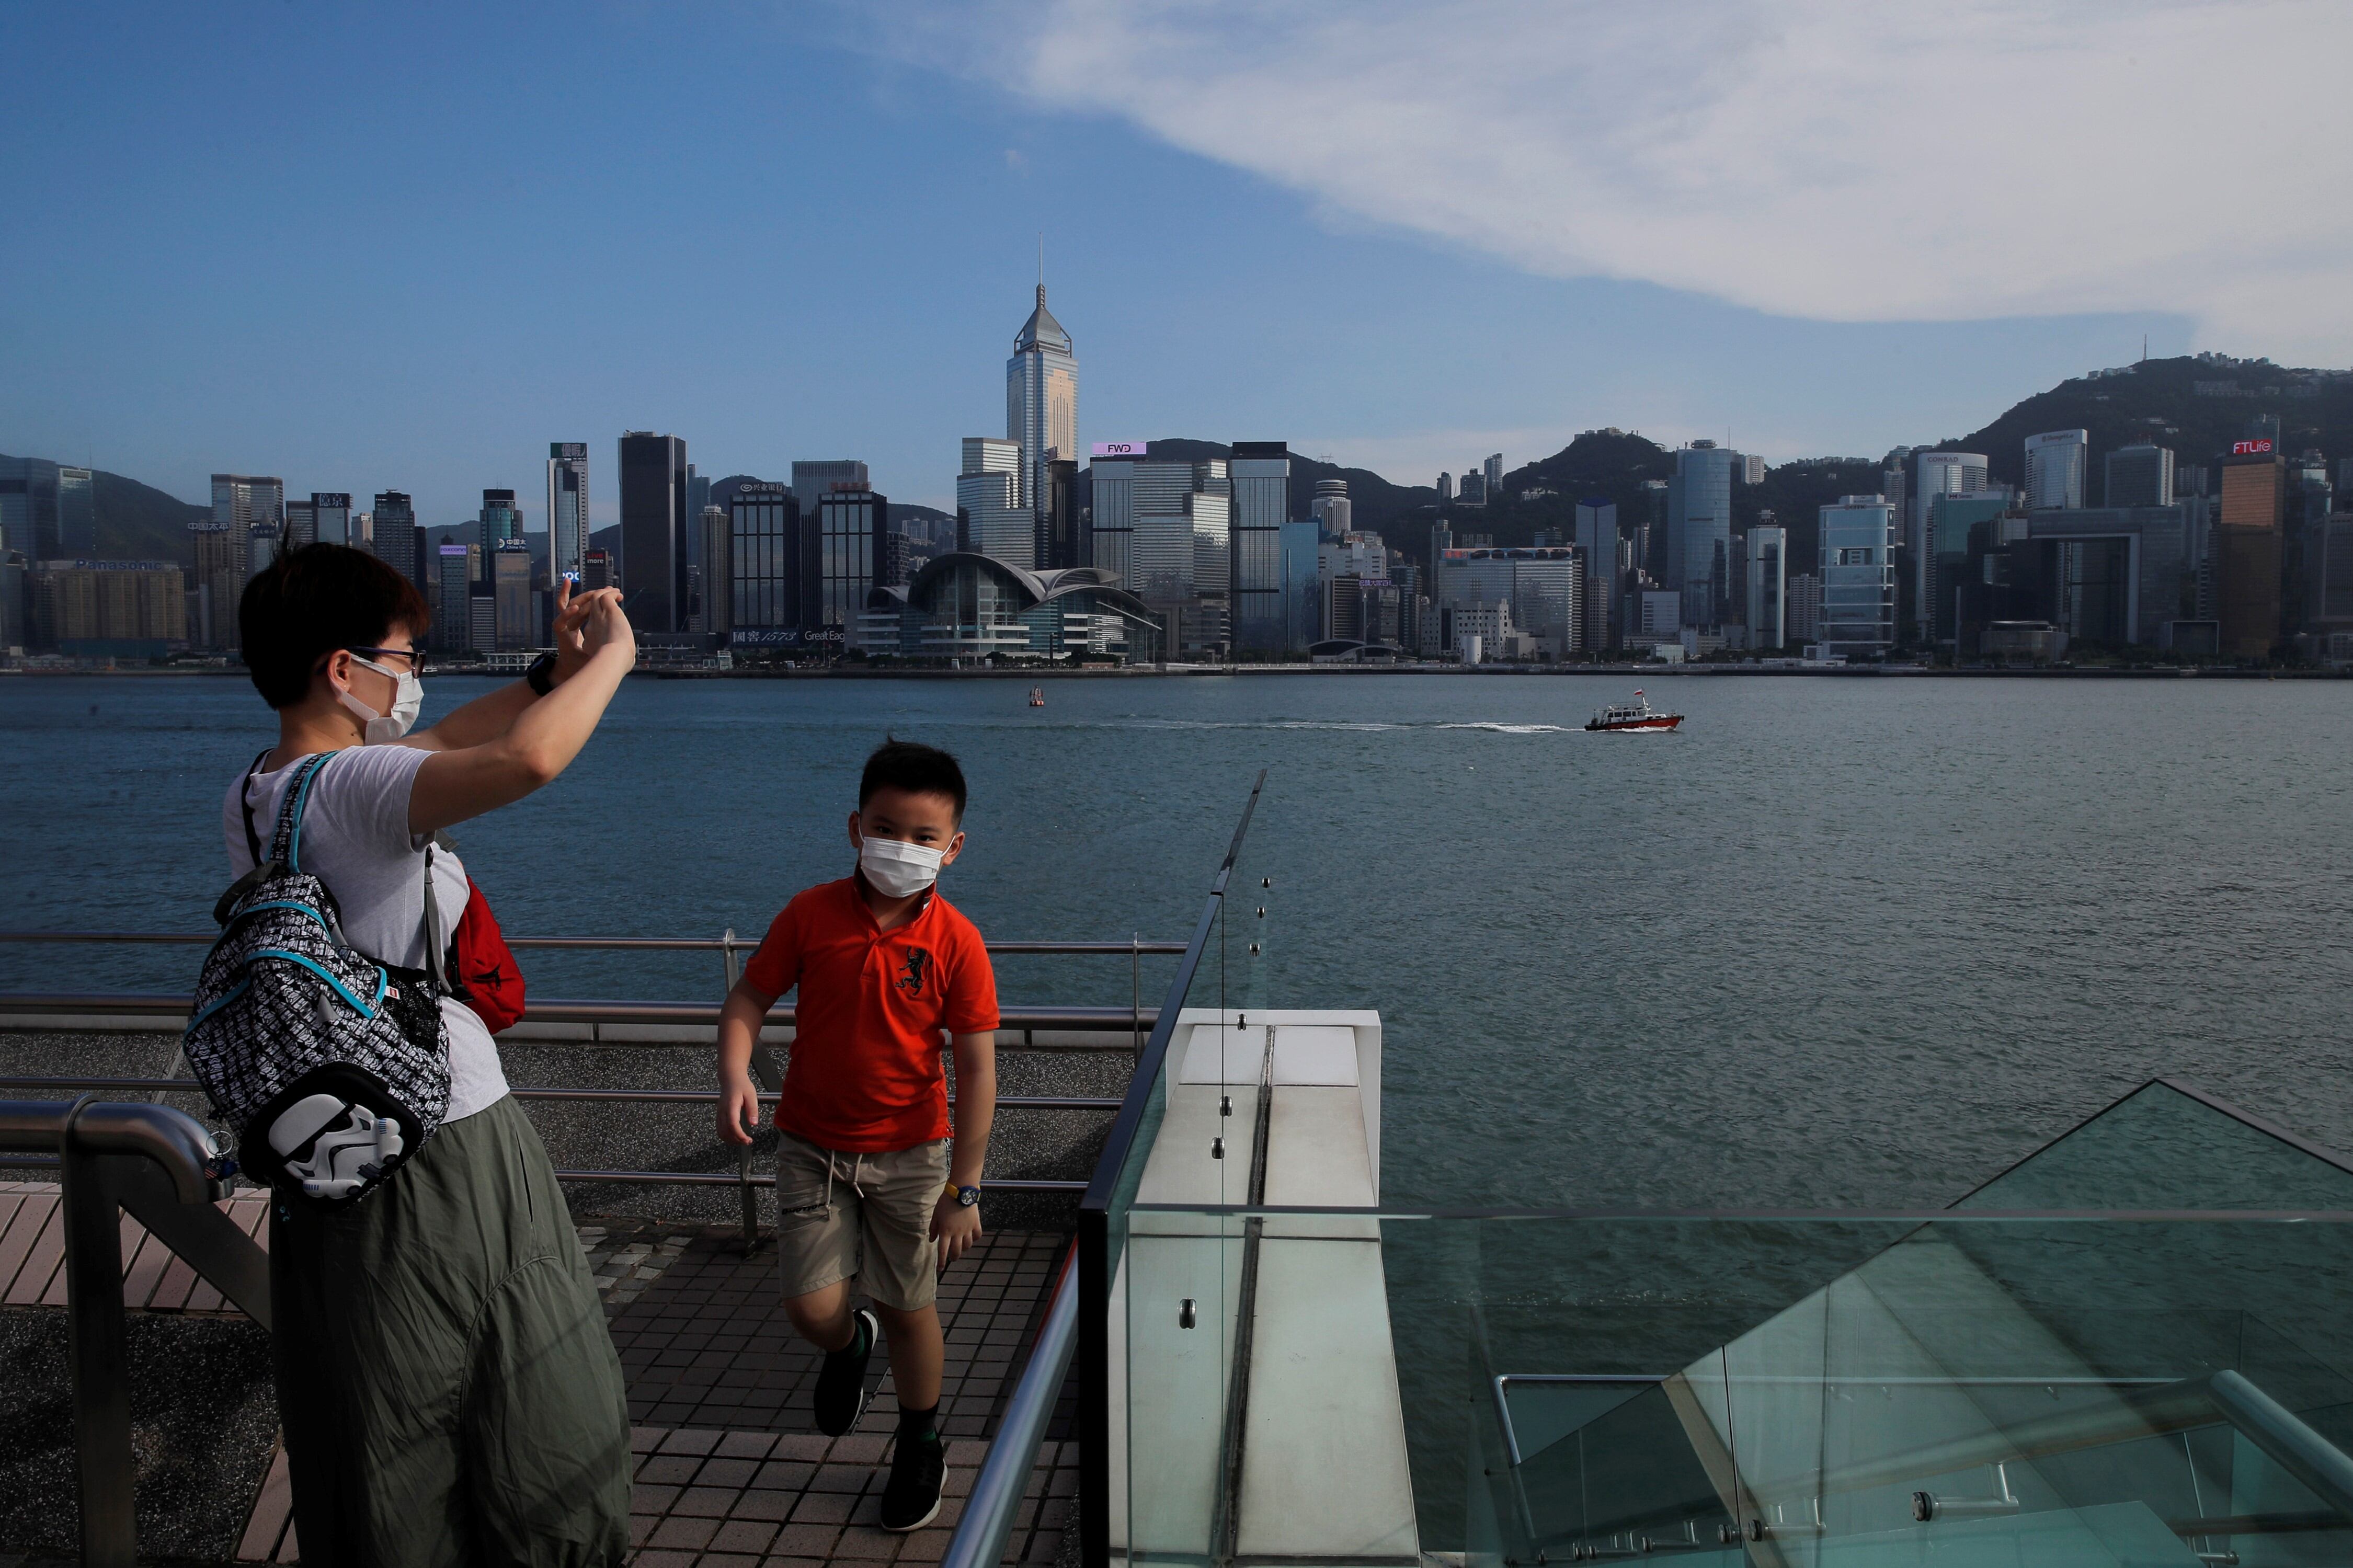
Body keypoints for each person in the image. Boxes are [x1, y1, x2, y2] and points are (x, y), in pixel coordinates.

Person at [226, 544, 636, 1567]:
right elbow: (527, 759)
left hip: (344, 1149)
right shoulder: (357, 789)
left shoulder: (264, 791)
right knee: (541, 1408)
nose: (415, 682)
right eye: (404, 659)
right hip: (446, 1145)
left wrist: (549, 673)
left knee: (389, 1435)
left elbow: (453, 737)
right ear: (341, 668)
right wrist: (615, 660)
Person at [715, 740, 1000, 1533]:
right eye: (885, 828)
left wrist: (964, 1189)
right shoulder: (810, 915)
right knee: (811, 1309)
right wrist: (736, 1073)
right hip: (810, 1144)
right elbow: (749, 998)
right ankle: (846, 1348)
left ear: (953, 848)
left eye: (922, 837)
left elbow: (977, 1072)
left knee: (910, 1305)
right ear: (854, 827)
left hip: (913, 1157)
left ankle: (920, 1439)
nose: (902, 849)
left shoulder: (958, 943)